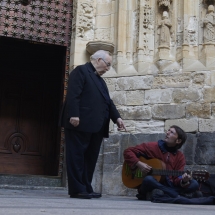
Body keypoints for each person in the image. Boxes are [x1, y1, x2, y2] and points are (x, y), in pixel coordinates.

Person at [60, 50, 126, 199]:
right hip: (79, 123)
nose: (108, 69)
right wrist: (74, 114)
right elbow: (73, 94)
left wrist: (117, 118)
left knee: (90, 159)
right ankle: (77, 189)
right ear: (98, 60)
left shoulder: (100, 80)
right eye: (107, 64)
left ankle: (86, 187)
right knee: (76, 156)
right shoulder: (81, 71)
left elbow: (108, 101)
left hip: (96, 126)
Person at [123, 125, 202, 201]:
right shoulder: (152, 147)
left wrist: (184, 181)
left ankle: (163, 194)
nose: (167, 133)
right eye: (168, 130)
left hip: (169, 186)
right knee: (148, 179)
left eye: (172, 132)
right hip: (152, 184)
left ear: (178, 141)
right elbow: (128, 152)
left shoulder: (180, 157)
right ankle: (177, 194)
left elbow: (176, 180)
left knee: (194, 183)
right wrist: (139, 164)